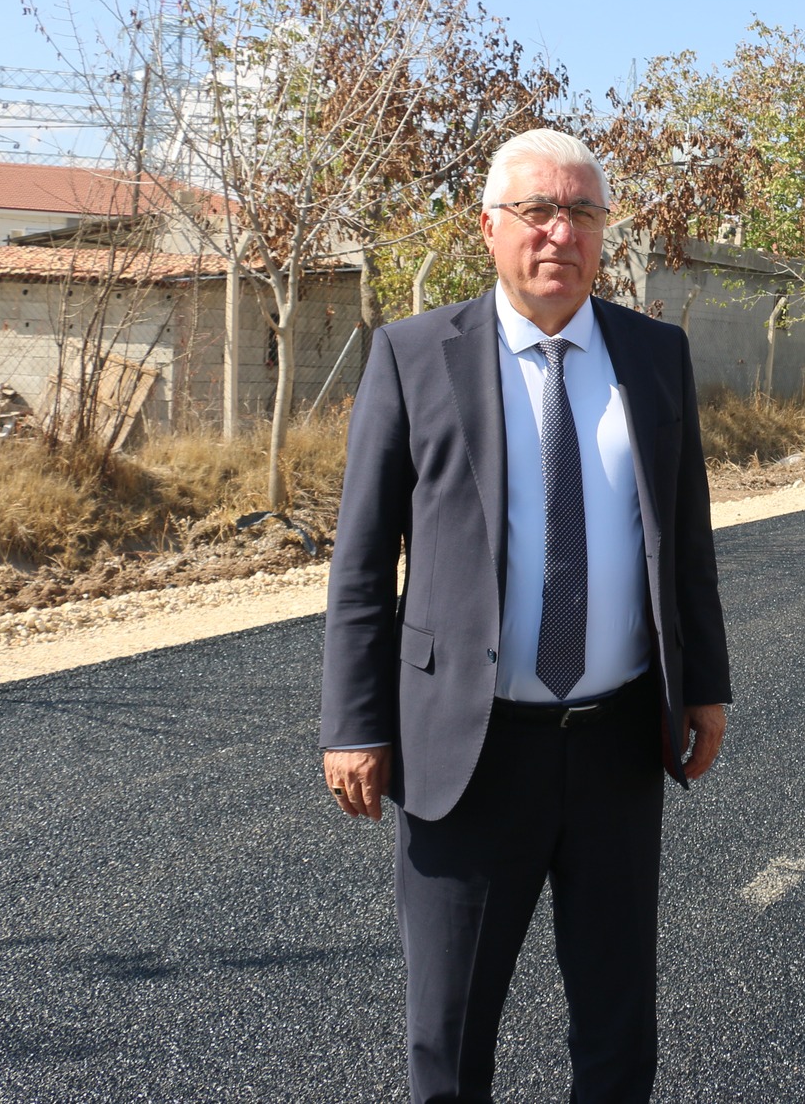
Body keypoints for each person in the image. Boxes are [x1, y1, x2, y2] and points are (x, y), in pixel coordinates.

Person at [320, 128, 731, 1103]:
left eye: (581, 212)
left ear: (604, 232)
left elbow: (686, 542)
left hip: (617, 747)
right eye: (536, 211)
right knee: (448, 1042)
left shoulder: (654, 357)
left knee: (619, 1034)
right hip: (467, 753)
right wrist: (354, 722)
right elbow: (362, 563)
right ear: (489, 229)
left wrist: (704, 685)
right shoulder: (414, 357)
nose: (559, 233)